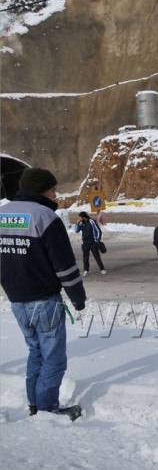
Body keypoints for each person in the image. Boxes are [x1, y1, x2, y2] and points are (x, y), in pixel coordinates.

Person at [0, 167, 86, 419]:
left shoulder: (2, 214)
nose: (55, 194)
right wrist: (78, 298)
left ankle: (35, 405)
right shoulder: (46, 218)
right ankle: (48, 408)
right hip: (44, 301)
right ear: (41, 190)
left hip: (16, 301)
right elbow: (65, 266)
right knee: (54, 358)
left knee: (35, 351)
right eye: (53, 189)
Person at [74, 211, 107, 276]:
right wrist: (77, 224)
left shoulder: (92, 221)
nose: (80, 219)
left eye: (80, 218)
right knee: (85, 257)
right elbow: (76, 231)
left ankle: (102, 269)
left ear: (84, 217)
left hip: (93, 243)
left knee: (96, 256)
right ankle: (86, 270)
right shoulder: (81, 223)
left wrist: (97, 240)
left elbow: (98, 231)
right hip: (85, 243)